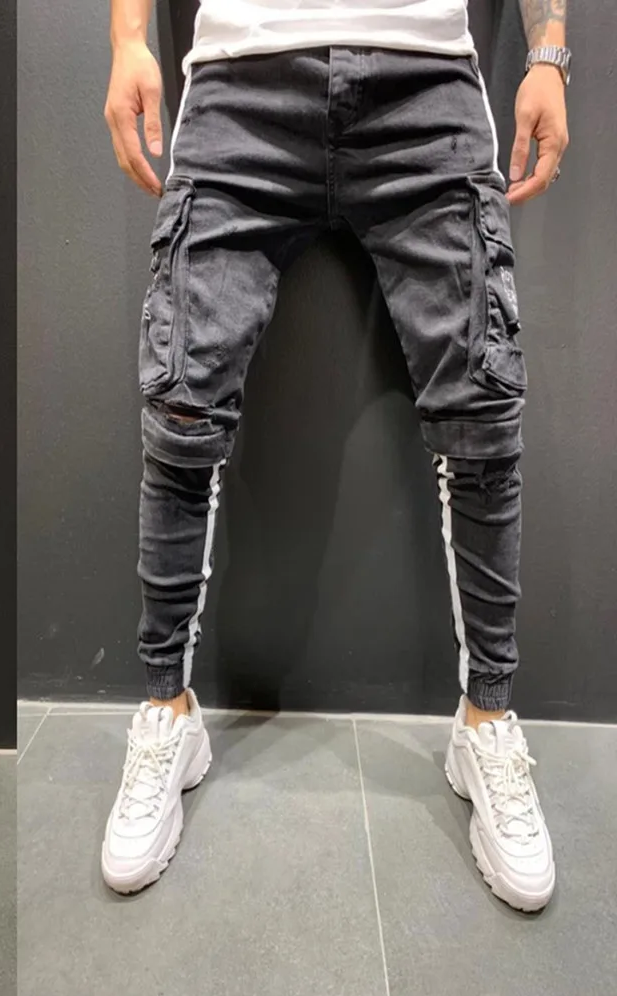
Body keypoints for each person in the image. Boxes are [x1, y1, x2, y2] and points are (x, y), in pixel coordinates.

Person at [100, 0, 568, 913]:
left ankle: (487, 722)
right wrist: (125, 39)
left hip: (425, 75)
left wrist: (549, 49)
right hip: (240, 76)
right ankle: (166, 713)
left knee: (482, 412)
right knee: (182, 409)